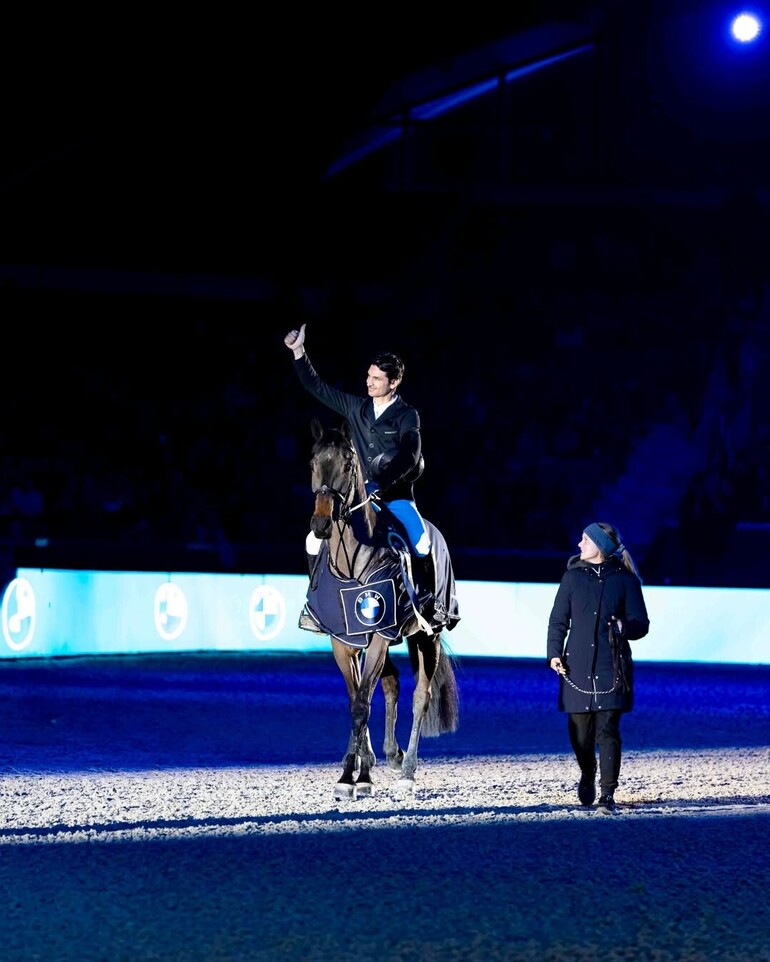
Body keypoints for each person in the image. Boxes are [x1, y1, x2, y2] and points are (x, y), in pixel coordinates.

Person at [284, 323, 432, 629]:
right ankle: (315, 605)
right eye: (368, 376)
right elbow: (318, 387)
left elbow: (410, 456)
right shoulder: (356, 408)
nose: (369, 382)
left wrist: (382, 482)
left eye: (377, 378)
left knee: (422, 544)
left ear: (395, 381)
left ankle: (429, 605)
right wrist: (299, 352)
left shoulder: (407, 415)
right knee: (314, 538)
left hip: (395, 497)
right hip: (357, 498)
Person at [546, 522, 650, 812]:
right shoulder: (571, 578)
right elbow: (558, 621)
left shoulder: (626, 581)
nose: (579, 545)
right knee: (580, 734)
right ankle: (587, 772)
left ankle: (607, 793)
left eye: (585, 540)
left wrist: (623, 626)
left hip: (611, 667)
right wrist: (554, 654)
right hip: (575, 665)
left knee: (608, 730)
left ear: (600, 546)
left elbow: (641, 624)